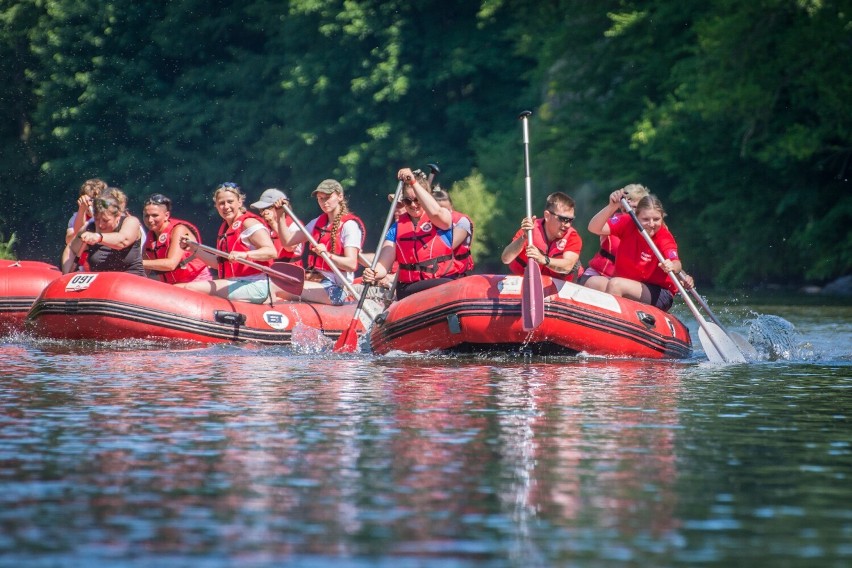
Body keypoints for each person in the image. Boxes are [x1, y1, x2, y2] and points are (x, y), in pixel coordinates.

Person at [362, 168, 463, 300]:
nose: (413, 205)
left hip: (442, 282)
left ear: (425, 197)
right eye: (408, 201)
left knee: (451, 287)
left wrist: (413, 182)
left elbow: (436, 213)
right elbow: (383, 265)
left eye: (417, 200)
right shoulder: (396, 228)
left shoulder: (442, 217)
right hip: (410, 287)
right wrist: (373, 273)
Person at [176, 182, 279, 304]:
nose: (226, 206)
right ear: (216, 206)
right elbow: (217, 263)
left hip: (257, 284)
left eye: (230, 202)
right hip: (237, 283)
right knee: (179, 288)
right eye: (221, 203)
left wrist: (244, 255)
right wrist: (194, 249)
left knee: (191, 288)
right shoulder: (225, 229)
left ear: (239, 202)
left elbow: (271, 251)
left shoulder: (249, 223)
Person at [586, 190, 683, 311]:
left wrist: (672, 265)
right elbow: (594, 228)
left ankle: (611, 322)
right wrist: (612, 207)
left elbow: (677, 264)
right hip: (629, 283)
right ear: (636, 216)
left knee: (616, 285)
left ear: (662, 217)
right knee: (592, 283)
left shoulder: (664, 236)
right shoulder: (627, 222)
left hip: (659, 292)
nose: (651, 224)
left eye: (656, 219)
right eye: (646, 219)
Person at [273, 179, 365, 305]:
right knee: (275, 283)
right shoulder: (317, 222)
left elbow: (351, 264)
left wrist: (327, 255)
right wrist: (280, 216)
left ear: (340, 196)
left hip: (337, 289)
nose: (324, 202)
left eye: (327, 197)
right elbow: (288, 241)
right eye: (320, 198)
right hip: (316, 280)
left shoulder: (350, 225)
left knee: (276, 288)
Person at [61, 187, 145, 276]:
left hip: (131, 283)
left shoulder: (131, 221)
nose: (100, 225)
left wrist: (99, 237)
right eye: (97, 219)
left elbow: (123, 241)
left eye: (105, 220)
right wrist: (66, 275)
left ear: (118, 216)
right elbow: (71, 249)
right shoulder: (90, 228)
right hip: (102, 284)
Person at [501, 191, 583, 281]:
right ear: (547, 215)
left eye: (570, 220)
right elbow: (506, 258)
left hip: (563, 289)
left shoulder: (572, 237)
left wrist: (543, 259)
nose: (567, 225)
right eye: (563, 219)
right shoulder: (529, 230)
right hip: (528, 284)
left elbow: (568, 266)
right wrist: (523, 237)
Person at [578, 183, 649, 287]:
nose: (629, 210)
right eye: (626, 205)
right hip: (598, 276)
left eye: (634, 207)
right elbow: (593, 228)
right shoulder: (613, 222)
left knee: (619, 286)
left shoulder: (650, 230)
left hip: (624, 284)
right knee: (611, 285)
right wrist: (612, 206)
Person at [141, 193, 212, 284]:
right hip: (174, 287)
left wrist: (138, 263)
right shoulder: (151, 238)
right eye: (146, 216)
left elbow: (171, 264)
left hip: (196, 281)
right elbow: (143, 270)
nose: (150, 220)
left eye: (155, 215)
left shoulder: (178, 230)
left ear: (166, 215)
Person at [250, 188, 304, 267]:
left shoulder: (294, 224)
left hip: (288, 270)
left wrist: (273, 223)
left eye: (265, 208)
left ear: (279, 207)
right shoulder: (263, 226)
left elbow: (290, 247)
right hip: (267, 271)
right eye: (260, 210)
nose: (262, 213)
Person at [431, 187, 475, 277]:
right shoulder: (425, 223)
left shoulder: (462, 222)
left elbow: (448, 246)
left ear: (451, 206)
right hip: (432, 274)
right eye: (441, 211)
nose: (446, 214)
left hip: (456, 274)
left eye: (448, 210)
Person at [65, 178, 108, 245]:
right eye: (90, 200)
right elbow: (69, 240)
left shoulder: (111, 215)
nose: (91, 204)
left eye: (96, 200)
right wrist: (82, 209)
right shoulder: (77, 217)